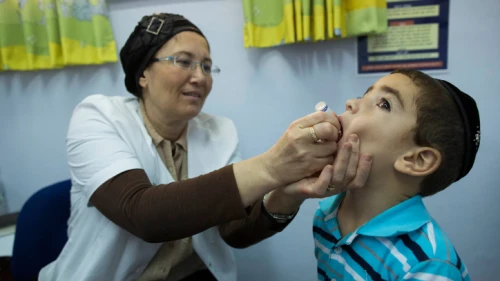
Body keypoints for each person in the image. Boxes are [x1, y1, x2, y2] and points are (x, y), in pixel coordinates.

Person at [39, 13, 372, 281]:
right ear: (143, 73)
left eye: (207, 66)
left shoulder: (219, 131)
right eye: (184, 61)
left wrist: (291, 191)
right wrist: (274, 165)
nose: (200, 77)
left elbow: (233, 232)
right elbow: (144, 215)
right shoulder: (98, 116)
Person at [313, 69, 480, 281]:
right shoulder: (326, 216)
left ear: (416, 160)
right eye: (363, 95)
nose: (350, 103)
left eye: (384, 104)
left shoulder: (427, 265)